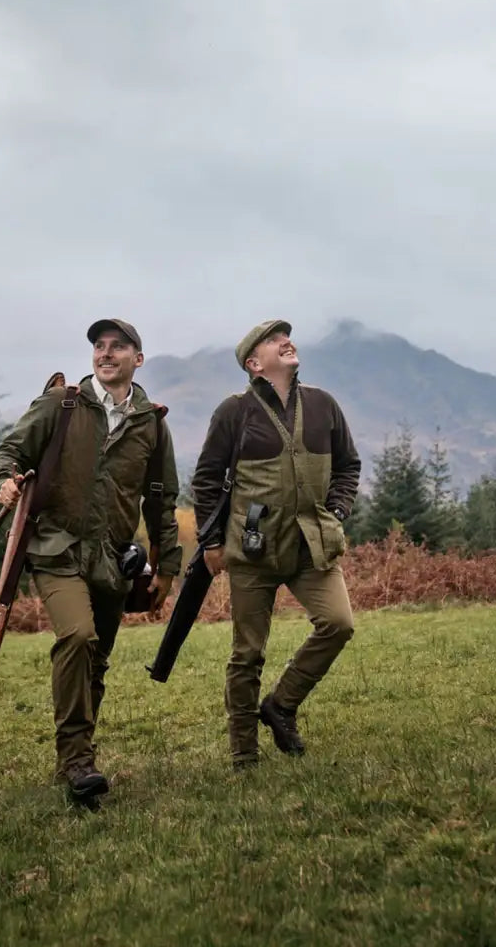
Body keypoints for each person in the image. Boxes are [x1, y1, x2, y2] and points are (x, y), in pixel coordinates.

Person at [0, 318, 181, 799]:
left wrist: (168, 568)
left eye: (119, 347)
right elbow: (10, 450)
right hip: (57, 548)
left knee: (96, 661)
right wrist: (6, 480)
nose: (106, 353)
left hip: (114, 558)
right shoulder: (63, 404)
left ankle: (75, 759)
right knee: (77, 637)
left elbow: (162, 499)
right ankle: (78, 761)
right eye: (99, 346)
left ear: (138, 359)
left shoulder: (152, 423)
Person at [192, 319, 361, 771]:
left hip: (312, 546)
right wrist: (211, 542)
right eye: (272, 340)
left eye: (285, 336)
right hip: (253, 551)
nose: (285, 341)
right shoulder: (234, 411)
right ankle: (244, 752)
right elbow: (206, 479)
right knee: (247, 653)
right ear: (253, 363)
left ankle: (281, 705)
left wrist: (337, 512)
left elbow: (348, 466)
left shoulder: (323, 405)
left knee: (338, 624)